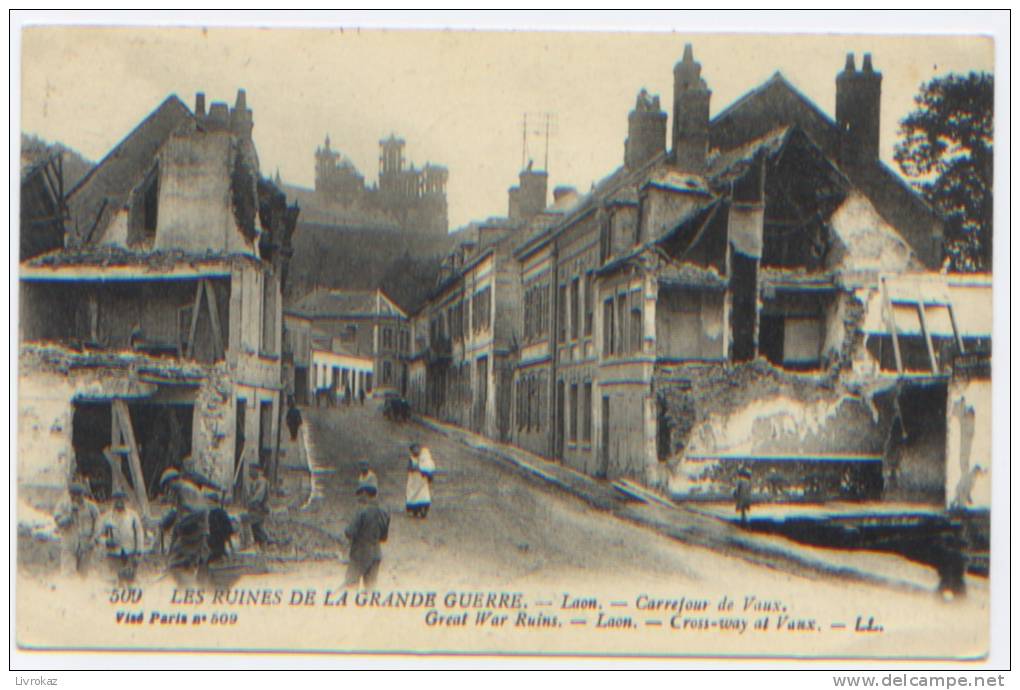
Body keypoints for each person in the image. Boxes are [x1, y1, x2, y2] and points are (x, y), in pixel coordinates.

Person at [342, 475, 389, 589]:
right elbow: (383, 538)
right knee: (370, 590)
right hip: (376, 555)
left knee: (351, 588)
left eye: (359, 493)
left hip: (359, 555)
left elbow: (349, 532)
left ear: (365, 493)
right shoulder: (384, 512)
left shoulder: (362, 512)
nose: (358, 497)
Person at [54, 481, 101, 576]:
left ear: (83, 494)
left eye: (79, 495)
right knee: (68, 574)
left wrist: (94, 539)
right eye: (73, 495)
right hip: (69, 543)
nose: (76, 498)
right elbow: (59, 522)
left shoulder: (91, 507)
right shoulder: (63, 505)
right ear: (70, 494)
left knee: (84, 574)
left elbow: (98, 524)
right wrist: (70, 515)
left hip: (86, 544)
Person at [99, 489, 143, 583]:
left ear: (126, 500)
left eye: (121, 499)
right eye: (116, 499)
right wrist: (106, 541)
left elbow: (139, 534)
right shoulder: (106, 517)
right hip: (113, 554)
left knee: (131, 579)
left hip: (130, 552)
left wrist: (138, 552)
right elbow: (98, 536)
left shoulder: (133, 515)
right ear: (112, 501)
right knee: (114, 580)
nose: (119, 502)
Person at [405, 443, 436, 519]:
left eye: (417, 449)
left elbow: (429, 467)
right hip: (414, 481)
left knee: (424, 494)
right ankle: (415, 509)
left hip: (422, 481)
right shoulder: (411, 459)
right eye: (413, 450)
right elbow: (409, 468)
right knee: (413, 495)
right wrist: (414, 468)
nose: (415, 451)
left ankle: (423, 510)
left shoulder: (424, 459)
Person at [246, 464, 272, 548]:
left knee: (258, 526)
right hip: (253, 508)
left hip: (260, 507)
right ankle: (259, 543)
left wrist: (252, 502)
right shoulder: (252, 482)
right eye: (249, 471)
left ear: (257, 471)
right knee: (253, 526)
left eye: (251, 471)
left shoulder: (262, 481)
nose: (250, 473)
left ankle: (265, 541)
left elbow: (259, 496)